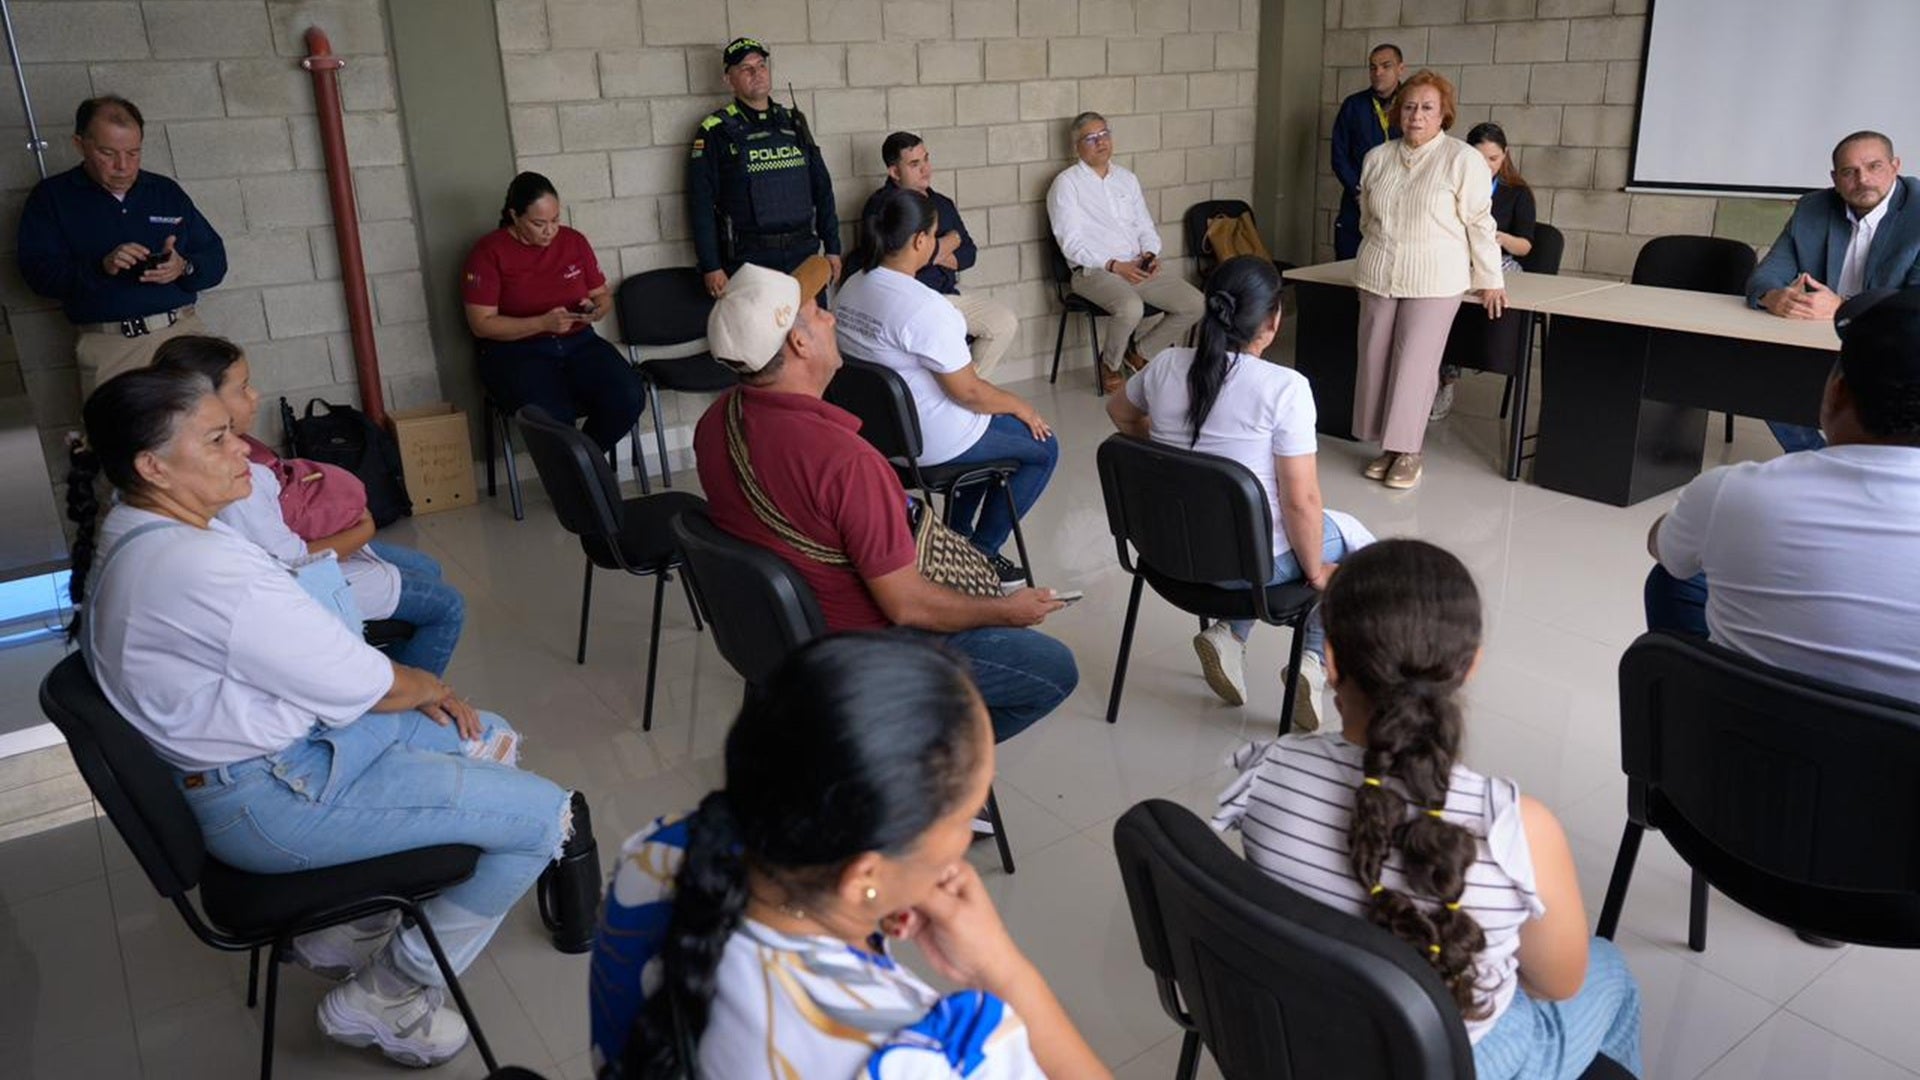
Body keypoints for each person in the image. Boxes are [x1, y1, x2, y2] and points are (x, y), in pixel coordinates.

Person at [65, 368, 572, 1068]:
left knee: (492, 735)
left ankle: (348, 928)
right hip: (273, 794)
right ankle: (391, 991)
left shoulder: (138, 527)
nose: (243, 447)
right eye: (216, 438)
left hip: (270, 755)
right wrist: (427, 683)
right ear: (152, 465)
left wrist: (416, 690)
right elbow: (359, 680)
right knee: (542, 817)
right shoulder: (198, 568)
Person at [589, 633, 1110, 1079]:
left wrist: (865, 921)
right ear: (865, 872)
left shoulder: (657, 856)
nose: (962, 849)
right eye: (966, 815)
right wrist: (1002, 967)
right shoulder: (926, 1056)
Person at [1216, 539, 1643, 1080]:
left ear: (1329, 661)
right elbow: (1558, 984)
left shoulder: (1268, 773)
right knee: (1610, 970)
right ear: (1469, 668)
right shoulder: (1516, 830)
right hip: (1457, 1063)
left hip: (1302, 1040)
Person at [690, 257, 1078, 746]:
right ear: (799, 342)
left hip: (779, 635)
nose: (831, 318)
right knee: (1054, 669)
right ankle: (910, 774)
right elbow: (910, 606)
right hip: (864, 649)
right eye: (816, 310)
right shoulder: (846, 462)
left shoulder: (717, 421)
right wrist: (1008, 610)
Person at [1106, 256, 1374, 728]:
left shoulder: (1166, 364)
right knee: (1359, 551)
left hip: (1163, 551)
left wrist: (1170, 466)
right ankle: (1310, 662)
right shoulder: (1284, 388)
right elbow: (1300, 502)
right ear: (1271, 322)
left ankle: (1230, 635)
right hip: (1246, 568)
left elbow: (1121, 414)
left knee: (1243, 525)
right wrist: (1315, 573)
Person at [1645, 286, 1920, 705]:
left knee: (1676, 574)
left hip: (1743, 746)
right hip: (1894, 765)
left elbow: (1662, 545)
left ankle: (1683, 714)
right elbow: (1767, 278)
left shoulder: (1733, 493)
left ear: (1837, 392)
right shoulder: (1812, 218)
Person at [152, 334, 467, 677]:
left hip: (289, 561)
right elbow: (294, 564)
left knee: (427, 567)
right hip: (292, 589)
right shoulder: (232, 480)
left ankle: (374, 668)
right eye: (243, 388)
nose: (256, 396)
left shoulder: (210, 455)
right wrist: (363, 530)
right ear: (205, 402)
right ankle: (401, 698)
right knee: (448, 606)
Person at [836, 186, 1059, 583]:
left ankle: (954, 541)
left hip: (879, 441)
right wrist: (1019, 406)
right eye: (934, 235)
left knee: (988, 446)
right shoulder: (924, 307)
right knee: (1043, 447)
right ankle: (980, 554)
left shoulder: (852, 287)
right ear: (921, 242)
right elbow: (969, 392)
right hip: (930, 443)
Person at [1351, 70, 1505, 491]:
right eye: (1410, 106)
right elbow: (1368, 219)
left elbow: (1479, 221)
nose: (1416, 115)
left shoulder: (1462, 159)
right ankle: (1388, 444)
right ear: (1399, 112)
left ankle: (1410, 450)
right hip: (1378, 273)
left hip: (1436, 278)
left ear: (1444, 116)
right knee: (1375, 358)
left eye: (1427, 108)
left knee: (1415, 364)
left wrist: (1490, 277)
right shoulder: (1377, 157)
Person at [18, 95, 226, 395]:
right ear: (80, 144)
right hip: (112, 345)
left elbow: (215, 259)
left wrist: (184, 267)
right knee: (122, 439)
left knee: (214, 431)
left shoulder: (164, 191)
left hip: (182, 334)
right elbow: (38, 275)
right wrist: (102, 267)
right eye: (107, 153)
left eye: (133, 153)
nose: (123, 166)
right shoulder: (53, 197)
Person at [1745, 131, 1920, 453]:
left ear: (1895, 166)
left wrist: (1843, 306)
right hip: (1818, 334)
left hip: (1901, 342)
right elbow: (1768, 273)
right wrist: (1773, 296)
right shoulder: (1813, 207)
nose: (1862, 179)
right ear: (1834, 178)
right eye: (1848, 171)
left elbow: (1914, 304)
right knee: (1765, 377)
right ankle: (1816, 460)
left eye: (1874, 166)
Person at [462, 171, 644, 456]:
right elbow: (481, 325)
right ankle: (576, 475)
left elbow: (602, 295)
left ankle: (584, 461)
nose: (550, 230)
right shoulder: (488, 252)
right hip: (517, 351)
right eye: (539, 223)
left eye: (556, 220)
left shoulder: (573, 242)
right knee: (553, 417)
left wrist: (596, 309)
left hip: (578, 342)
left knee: (629, 395)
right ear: (515, 215)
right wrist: (541, 323)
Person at [1047, 111, 1204, 395]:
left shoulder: (1127, 179)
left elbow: (1145, 226)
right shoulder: (1066, 184)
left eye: (1104, 134)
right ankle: (1109, 364)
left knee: (1195, 303)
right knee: (1131, 308)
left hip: (1138, 266)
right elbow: (1070, 243)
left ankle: (1139, 354)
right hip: (1093, 271)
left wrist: (1150, 253)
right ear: (1077, 146)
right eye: (1091, 138)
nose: (1101, 142)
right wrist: (1114, 266)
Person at [689, 37, 842, 298]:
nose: (756, 73)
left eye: (760, 65)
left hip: (803, 252)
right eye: (745, 69)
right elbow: (700, 202)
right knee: (759, 338)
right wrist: (711, 266)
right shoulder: (716, 130)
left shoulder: (793, 122)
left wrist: (833, 247)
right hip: (751, 260)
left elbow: (822, 188)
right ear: (729, 79)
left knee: (811, 332)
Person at [862, 131, 1021, 377]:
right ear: (894, 172)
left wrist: (932, 250)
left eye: (926, 159)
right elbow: (898, 259)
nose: (925, 169)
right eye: (915, 164)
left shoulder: (942, 203)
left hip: (948, 294)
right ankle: (965, 392)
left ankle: (970, 390)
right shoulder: (883, 206)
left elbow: (969, 254)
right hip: (911, 300)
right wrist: (950, 241)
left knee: (1003, 322)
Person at [1432, 122, 1537, 422]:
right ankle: (1445, 377)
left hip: (1500, 260)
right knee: (1442, 301)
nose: (1487, 166)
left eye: (1494, 159)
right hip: (1457, 260)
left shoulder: (1517, 192)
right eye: (1479, 159)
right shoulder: (1452, 185)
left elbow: (1526, 246)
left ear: (1505, 156)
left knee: (1476, 301)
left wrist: (1497, 238)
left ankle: (1456, 369)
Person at [1331, 44, 1405, 260]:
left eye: (1385, 66)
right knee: (1348, 264)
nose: (1378, 73)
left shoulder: (1411, 105)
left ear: (1400, 68)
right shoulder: (1354, 105)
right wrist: (1359, 191)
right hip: (1357, 199)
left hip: (1397, 202)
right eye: (1372, 67)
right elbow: (1339, 155)